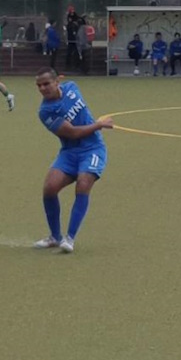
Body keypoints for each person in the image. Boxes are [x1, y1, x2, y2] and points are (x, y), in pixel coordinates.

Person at [33, 67, 114, 253]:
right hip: (69, 152)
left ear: (57, 82)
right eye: (39, 86)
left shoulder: (72, 87)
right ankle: (55, 237)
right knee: (49, 188)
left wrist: (95, 125)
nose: (43, 88)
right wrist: (99, 125)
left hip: (93, 149)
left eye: (46, 84)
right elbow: (73, 133)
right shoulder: (45, 111)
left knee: (83, 184)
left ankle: (69, 239)